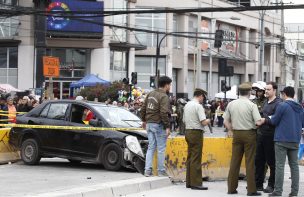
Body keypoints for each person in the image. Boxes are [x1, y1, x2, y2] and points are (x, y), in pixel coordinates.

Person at [258, 86, 304, 197]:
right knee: (294, 166)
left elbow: (274, 121)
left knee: (279, 166)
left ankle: (278, 191)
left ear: (284, 94)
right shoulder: (300, 107)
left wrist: (265, 119)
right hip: (295, 140)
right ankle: (294, 192)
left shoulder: (282, 106)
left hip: (281, 140)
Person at [223, 82, 263, 196]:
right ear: (249, 93)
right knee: (250, 162)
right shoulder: (252, 105)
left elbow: (226, 121)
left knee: (235, 161)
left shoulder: (231, 104)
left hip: (237, 134)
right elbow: (258, 121)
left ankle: (231, 188)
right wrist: (262, 121)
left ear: (239, 92)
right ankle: (251, 190)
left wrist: (231, 129)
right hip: (249, 134)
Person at [141, 76, 172, 177]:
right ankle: (161, 171)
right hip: (158, 124)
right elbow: (163, 113)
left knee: (151, 147)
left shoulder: (150, 94)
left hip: (149, 124)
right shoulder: (164, 96)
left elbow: (143, 108)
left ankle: (147, 171)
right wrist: (167, 126)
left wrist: (144, 120)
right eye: (170, 85)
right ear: (166, 85)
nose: (170, 87)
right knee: (161, 148)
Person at [255, 82, 282, 193]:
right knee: (259, 161)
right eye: (265, 89)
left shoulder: (279, 103)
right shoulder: (265, 102)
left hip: (271, 136)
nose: (266, 91)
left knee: (272, 162)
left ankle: (271, 185)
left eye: (268, 89)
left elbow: (276, 119)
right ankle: (258, 184)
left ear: (274, 90)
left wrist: (265, 119)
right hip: (261, 135)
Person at [183, 88, 210, 190]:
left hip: (188, 131)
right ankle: (196, 183)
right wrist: (208, 120)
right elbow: (203, 122)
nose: (203, 99)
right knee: (196, 158)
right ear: (201, 96)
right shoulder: (198, 106)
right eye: (203, 97)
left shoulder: (187, 105)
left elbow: (184, 120)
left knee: (190, 157)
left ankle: (189, 182)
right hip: (196, 132)